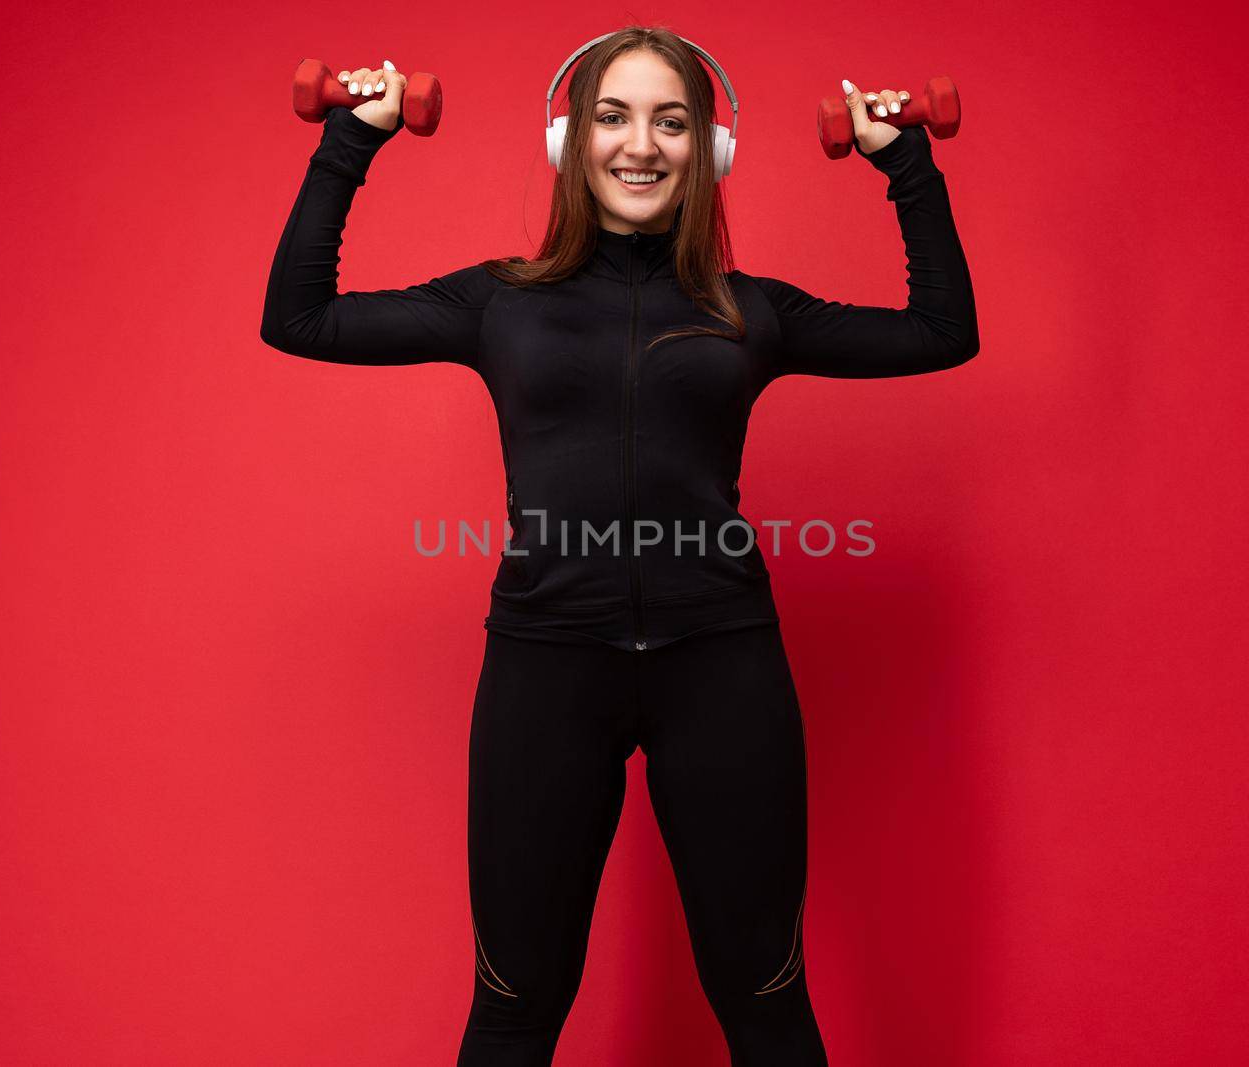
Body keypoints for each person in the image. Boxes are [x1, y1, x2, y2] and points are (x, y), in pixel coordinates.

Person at [261, 24, 977, 1067]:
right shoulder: (499, 299)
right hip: (544, 672)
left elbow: (940, 331)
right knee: (515, 1001)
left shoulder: (751, 312)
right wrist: (349, 143)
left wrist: (903, 162)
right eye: (612, 115)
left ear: (708, 152)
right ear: (568, 139)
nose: (640, 144)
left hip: (723, 671)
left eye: (672, 121)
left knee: (765, 998)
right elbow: (300, 315)